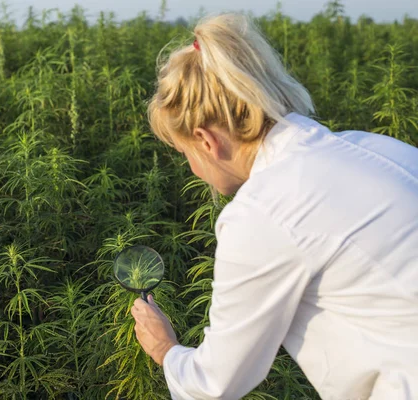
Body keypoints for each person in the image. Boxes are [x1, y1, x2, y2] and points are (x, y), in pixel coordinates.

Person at [130, 12, 418, 400]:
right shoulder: (377, 147)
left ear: (206, 140)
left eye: (185, 154)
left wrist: (166, 350)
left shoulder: (263, 211)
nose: (194, 170)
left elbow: (215, 384)